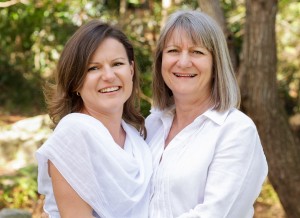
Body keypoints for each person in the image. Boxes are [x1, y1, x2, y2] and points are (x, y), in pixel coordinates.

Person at [146, 10, 268, 218]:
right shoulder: (152, 124)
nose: (183, 62)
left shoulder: (236, 131)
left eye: (197, 52)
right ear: (160, 61)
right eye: (174, 50)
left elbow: (214, 213)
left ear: (216, 64)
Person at [36, 20, 152, 218]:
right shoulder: (74, 134)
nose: (108, 76)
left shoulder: (135, 137)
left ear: (131, 70)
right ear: (75, 82)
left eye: (117, 64)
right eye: (93, 68)